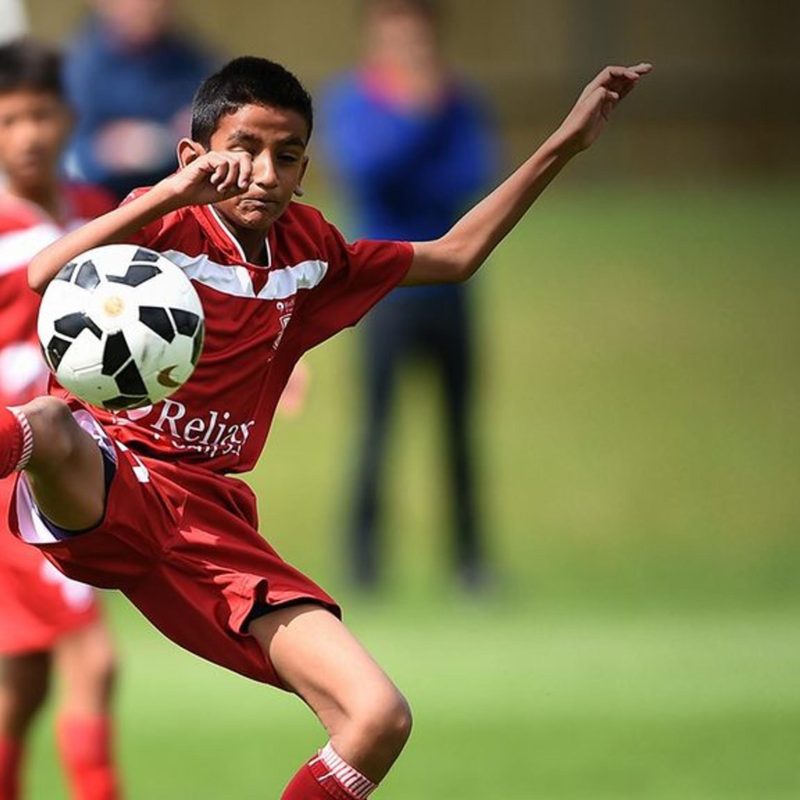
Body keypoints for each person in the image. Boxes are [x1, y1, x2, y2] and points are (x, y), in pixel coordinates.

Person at [3, 54, 649, 798]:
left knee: (378, 718)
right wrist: (171, 192)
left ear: (305, 169)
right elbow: (45, 275)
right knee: (49, 424)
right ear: (194, 155)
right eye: (243, 149)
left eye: (286, 156)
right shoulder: (164, 222)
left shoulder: (310, 255)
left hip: (210, 525)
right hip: (110, 476)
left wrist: (564, 143)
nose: (264, 173)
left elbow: (455, 254)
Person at [320, 0, 497, 590]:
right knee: (375, 430)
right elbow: (366, 169)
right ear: (376, 38)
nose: (410, 47)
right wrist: (416, 118)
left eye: (418, 35)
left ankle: (470, 565)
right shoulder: (354, 99)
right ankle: (363, 565)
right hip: (383, 291)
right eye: (396, 35)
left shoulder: (461, 101)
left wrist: (416, 147)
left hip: (449, 288)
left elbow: (471, 176)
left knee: (459, 433)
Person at [0, 39, 121, 800]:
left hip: (70, 459)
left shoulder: (97, 213)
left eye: (40, 116)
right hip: (13, 468)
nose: (28, 136)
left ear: (69, 118)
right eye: (10, 121)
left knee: (25, 682)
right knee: (92, 661)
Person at [63, 0, 214, 200]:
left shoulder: (193, 60)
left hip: (186, 199)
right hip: (113, 203)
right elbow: (61, 160)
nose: (149, 6)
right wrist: (104, 153)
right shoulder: (77, 71)